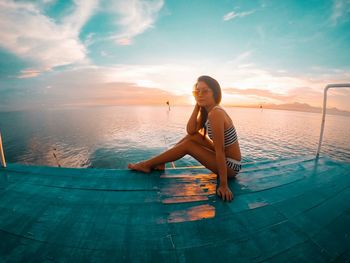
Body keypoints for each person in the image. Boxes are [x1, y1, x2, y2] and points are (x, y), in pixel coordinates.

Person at [128, 75, 242, 201]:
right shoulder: (209, 111)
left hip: (231, 166)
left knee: (188, 145)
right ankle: (161, 162)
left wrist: (224, 185)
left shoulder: (216, 113)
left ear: (215, 93)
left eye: (205, 91)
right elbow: (191, 130)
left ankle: (146, 164)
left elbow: (219, 151)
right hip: (225, 158)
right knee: (192, 137)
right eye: (197, 91)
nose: (200, 94)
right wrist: (198, 105)